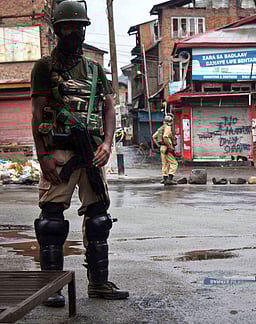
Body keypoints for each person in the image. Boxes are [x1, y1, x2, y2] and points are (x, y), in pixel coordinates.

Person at [30, 0, 128, 307]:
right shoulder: (45, 67)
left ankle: (98, 284)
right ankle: (51, 288)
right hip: (58, 151)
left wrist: (107, 143)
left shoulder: (96, 70)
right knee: (52, 222)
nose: (75, 33)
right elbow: (37, 112)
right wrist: (43, 155)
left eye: (79, 27)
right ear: (58, 31)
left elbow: (109, 108)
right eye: (68, 27)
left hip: (92, 153)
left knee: (99, 219)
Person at [153, 114, 178, 185]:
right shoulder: (167, 127)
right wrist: (169, 146)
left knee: (165, 163)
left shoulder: (161, 128)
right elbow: (165, 137)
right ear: (170, 121)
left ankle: (165, 179)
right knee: (174, 163)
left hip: (162, 148)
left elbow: (154, 137)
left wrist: (159, 145)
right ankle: (170, 179)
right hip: (167, 148)